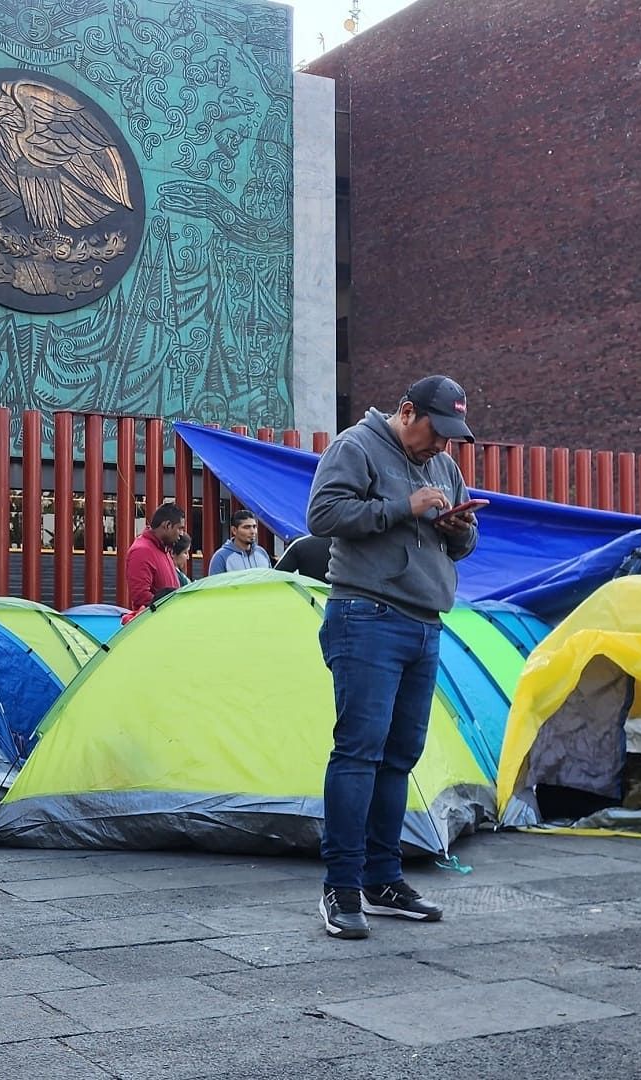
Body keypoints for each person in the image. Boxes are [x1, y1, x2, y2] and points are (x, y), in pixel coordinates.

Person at [306, 374, 477, 939]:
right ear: (406, 411)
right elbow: (322, 516)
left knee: (400, 756)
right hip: (366, 615)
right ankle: (341, 887)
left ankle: (382, 880)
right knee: (359, 752)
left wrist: (459, 529)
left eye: (452, 435)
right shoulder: (354, 446)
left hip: (425, 621)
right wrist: (403, 506)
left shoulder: (444, 466)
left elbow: (463, 545)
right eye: (437, 430)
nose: (443, 445)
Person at [124, 503, 186, 609]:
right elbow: (140, 596)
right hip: (157, 618)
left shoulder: (164, 549)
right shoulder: (141, 551)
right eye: (180, 528)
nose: (181, 534)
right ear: (167, 525)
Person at [207, 511, 272, 576]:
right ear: (234, 530)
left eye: (254, 527)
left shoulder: (262, 553)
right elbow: (214, 582)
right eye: (247, 527)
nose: (253, 531)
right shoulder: (221, 557)